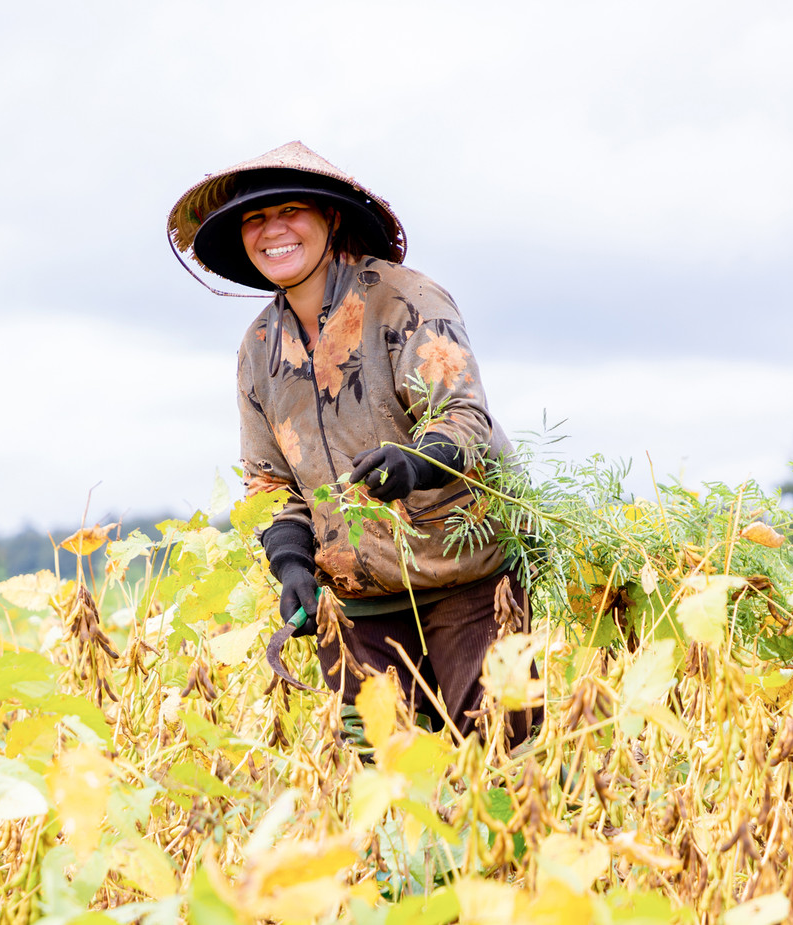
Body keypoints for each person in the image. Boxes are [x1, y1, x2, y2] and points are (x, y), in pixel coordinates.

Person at [167, 141, 534, 743]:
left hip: (465, 579)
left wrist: (416, 463)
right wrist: (289, 561)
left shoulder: (404, 299)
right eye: (255, 219)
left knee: (503, 763)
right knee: (379, 788)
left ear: (331, 218)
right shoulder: (258, 347)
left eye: (289, 211)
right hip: (358, 602)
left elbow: (464, 417)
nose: (272, 231)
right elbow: (267, 480)